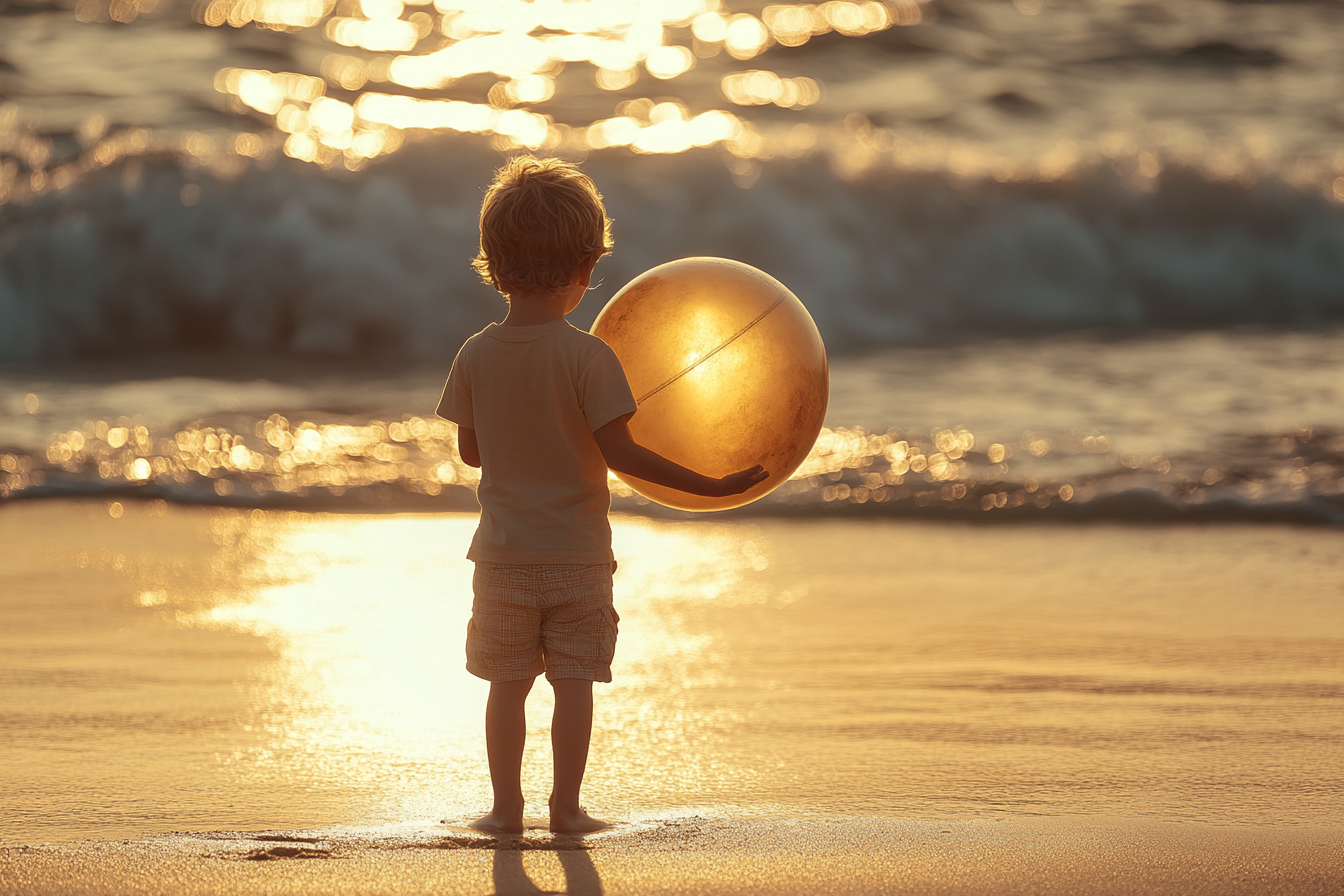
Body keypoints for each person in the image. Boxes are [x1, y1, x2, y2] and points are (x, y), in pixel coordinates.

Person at [436, 156, 767, 834]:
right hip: (578, 559)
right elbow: (622, 454)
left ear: (492, 265)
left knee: (507, 687)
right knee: (573, 685)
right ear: (586, 268)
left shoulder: (474, 353)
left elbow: (472, 452)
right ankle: (565, 808)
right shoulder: (590, 358)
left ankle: (505, 809)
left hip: (501, 559)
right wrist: (714, 484)